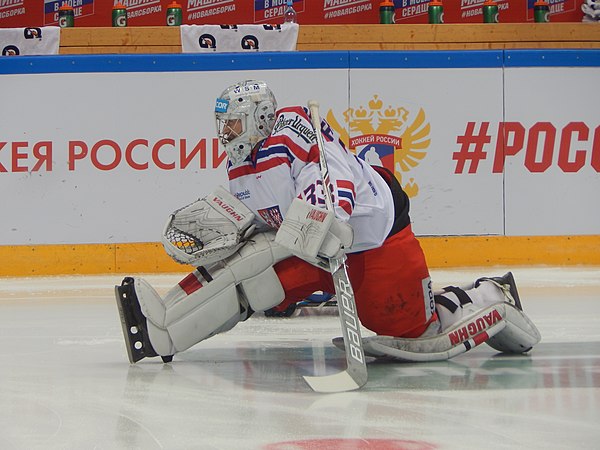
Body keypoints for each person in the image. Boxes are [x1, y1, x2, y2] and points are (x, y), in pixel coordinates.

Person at [115, 80, 540, 365]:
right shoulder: (241, 165)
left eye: (232, 123)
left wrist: (329, 217)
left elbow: (335, 182)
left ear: (259, 119)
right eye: (222, 124)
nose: (225, 133)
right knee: (252, 280)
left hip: (375, 236)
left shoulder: (294, 135)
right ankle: (162, 330)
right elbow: (267, 221)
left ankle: (486, 294)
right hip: (318, 247)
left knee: (414, 331)